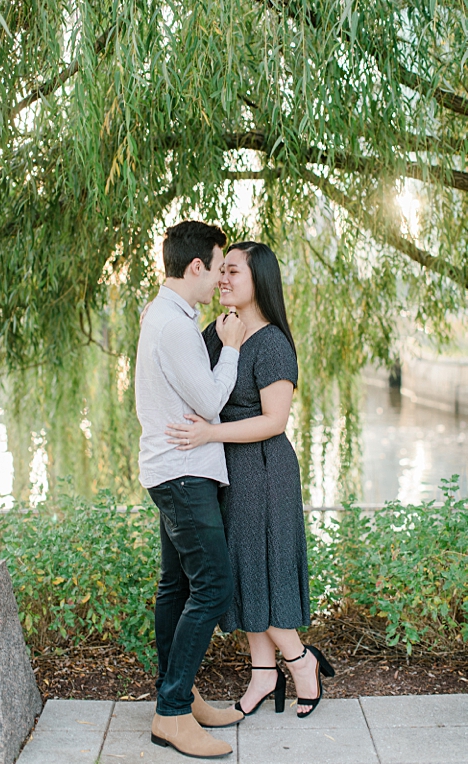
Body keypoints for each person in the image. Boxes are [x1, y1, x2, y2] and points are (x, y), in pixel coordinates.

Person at [166, 241, 334, 719]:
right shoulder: (219, 333)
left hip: (265, 471)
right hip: (230, 472)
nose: (222, 279)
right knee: (243, 573)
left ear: (258, 280)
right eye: (222, 271)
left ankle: (302, 663)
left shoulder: (273, 343)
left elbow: (275, 420)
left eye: (232, 272)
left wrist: (209, 434)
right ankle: (263, 673)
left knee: (261, 573)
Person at [134, 220, 248, 759]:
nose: (220, 279)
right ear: (196, 266)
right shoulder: (175, 326)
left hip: (171, 469)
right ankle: (173, 713)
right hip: (182, 473)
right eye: (218, 266)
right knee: (213, 587)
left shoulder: (164, 315)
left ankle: (179, 695)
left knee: (175, 588)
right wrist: (228, 348)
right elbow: (210, 402)